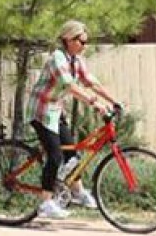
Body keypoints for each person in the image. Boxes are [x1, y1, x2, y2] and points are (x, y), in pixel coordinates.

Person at [27, 20, 120, 219]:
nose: (85, 45)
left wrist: (113, 101)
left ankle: (77, 191)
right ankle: (45, 203)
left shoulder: (75, 60)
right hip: (41, 111)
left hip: (56, 111)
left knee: (73, 156)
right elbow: (69, 86)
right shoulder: (57, 58)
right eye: (82, 41)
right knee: (55, 156)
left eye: (86, 42)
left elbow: (90, 82)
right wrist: (96, 104)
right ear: (68, 39)